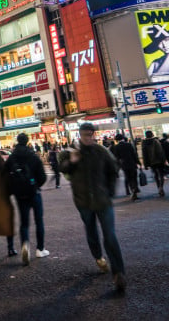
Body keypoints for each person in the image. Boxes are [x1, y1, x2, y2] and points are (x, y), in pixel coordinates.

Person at [58, 123, 126, 293]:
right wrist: (72, 162)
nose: (88, 138)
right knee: (91, 231)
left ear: (94, 134)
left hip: (103, 200)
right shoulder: (72, 152)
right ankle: (98, 256)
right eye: (85, 135)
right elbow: (64, 170)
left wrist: (109, 191)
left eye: (90, 135)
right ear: (80, 135)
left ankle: (118, 273)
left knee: (110, 235)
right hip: (83, 202)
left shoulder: (101, 151)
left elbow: (113, 169)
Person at [5, 133, 48, 264]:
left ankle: (25, 245)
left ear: (17, 141)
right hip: (33, 191)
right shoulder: (32, 156)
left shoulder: (12, 157)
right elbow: (42, 176)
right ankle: (40, 249)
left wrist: (13, 188)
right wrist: (36, 185)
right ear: (27, 141)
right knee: (38, 220)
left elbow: (5, 174)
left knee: (24, 223)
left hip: (20, 194)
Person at [110, 134, 140, 201]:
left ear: (117, 140)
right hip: (132, 163)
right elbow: (134, 154)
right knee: (134, 177)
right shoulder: (128, 145)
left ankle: (132, 190)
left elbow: (116, 157)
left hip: (124, 165)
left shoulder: (116, 147)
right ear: (123, 138)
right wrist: (138, 162)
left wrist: (118, 166)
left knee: (128, 177)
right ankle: (135, 188)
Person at [141, 131, 167, 197]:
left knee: (155, 174)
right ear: (152, 134)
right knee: (161, 174)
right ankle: (161, 187)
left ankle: (158, 188)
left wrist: (145, 164)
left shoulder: (144, 143)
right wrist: (163, 160)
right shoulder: (156, 141)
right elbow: (160, 151)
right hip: (158, 160)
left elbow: (144, 154)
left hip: (151, 162)